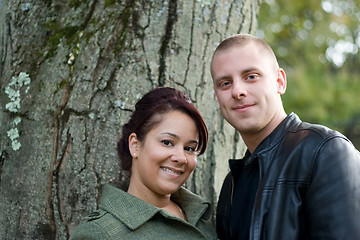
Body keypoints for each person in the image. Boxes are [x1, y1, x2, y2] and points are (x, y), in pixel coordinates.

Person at [211, 33, 360, 240]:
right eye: (225, 83)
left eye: (251, 76)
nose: (237, 91)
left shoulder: (325, 151)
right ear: (218, 99)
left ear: (279, 82)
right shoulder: (232, 184)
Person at [70, 87, 217, 239]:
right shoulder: (99, 234)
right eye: (167, 142)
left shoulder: (205, 216)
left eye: (189, 148)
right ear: (135, 145)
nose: (181, 158)